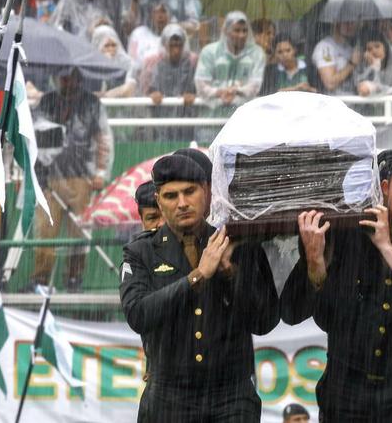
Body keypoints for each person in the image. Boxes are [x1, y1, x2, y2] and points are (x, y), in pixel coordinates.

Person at [280, 154, 392, 421]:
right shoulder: (347, 234)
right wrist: (314, 264)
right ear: (385, 189)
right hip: (345, 389)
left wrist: (386, 248)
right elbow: (292, 311)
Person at [120, 155, 279, 421]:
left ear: (206, 191)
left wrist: (231, 274)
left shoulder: (237, 243)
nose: (182, 203)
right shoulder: (141, 252)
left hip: (231, 395)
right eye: (171, 196)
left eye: (189, 192)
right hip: (169, 396)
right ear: (159, 201)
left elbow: (265, 321)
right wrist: (197, 276)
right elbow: (138, 314)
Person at [32, 68, 112, 292]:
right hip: (48, 177)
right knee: (46, 232)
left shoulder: (91, 103)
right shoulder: (46, 102)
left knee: (80, 232)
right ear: (57, 77)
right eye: (63, 76)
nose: (67, 80)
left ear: (79, 78)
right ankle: (40, 280)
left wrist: (100, 172)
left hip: (81, 177)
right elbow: (34, 135)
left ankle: (74, 279)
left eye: (71, 76)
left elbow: (103, 138)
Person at [194, 11, 266, 114]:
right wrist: (219, 92)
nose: (241, 35)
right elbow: (201, 85)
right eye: (236, 30)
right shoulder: (209, 52)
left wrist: (236, 91)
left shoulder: (257, 53)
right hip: (210, 117)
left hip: (243, 117)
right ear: (226, 31)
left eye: (244, 30)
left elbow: (255, 85)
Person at [140, 23, 198, 141]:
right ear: (164, 45)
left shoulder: (192, 62)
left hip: (186, 120)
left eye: (179, 45)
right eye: (172, 45)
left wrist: (193, 95)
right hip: (160, 121)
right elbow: (145, 90)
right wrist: (153, 94)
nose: (176, 50)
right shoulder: (154, 64)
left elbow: (199, 88)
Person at [353, 30, 392, 100]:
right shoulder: (363, 68)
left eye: (377, 46)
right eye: (369, 49)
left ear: (385, 48)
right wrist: (372, 68)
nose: (374, 51)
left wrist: (375, 88)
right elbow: (361, 87)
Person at [312, 20, 360, 95]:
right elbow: (329, 83)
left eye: (353, 22)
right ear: (335, 23)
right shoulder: (325, 47)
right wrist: (352, 64)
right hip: (333, 102)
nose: (350, 26)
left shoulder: (349, 48)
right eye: (346, 22)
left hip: (354, 101)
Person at [91, 24, 136, 98]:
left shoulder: (126, 62)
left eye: (113, 45)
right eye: (107, 46)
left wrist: (106, 95)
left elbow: (129, 89)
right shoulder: (90, 65)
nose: (111, 49)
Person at [128, 0, 172, 67]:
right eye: (155, 12)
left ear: (169, 15)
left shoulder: (175, 36)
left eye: (163, 11)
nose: (160, 16)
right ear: (150, 15)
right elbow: (132, 62)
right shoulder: (138, 34)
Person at [48, 0, 115, 39]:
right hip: (77, 46)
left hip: (100, 43)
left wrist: (104, 23)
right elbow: (55, 27)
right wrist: (87, 31)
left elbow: (112, 21)